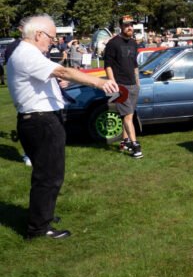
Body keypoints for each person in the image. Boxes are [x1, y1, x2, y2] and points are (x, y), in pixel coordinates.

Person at [8, 14, 118, 239]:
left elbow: (53, 77)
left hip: (39, 120)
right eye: (51, 36)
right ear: (38, 34)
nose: (54, 41)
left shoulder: (26, 53)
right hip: (41, 121)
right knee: (49, 176)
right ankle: (38, 228)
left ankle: (42, 216)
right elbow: (63, 70)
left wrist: (59, 82)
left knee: (46, 174)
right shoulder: (27, 54)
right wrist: (99, 82)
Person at [104, 15, 143, 158]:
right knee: (127, 116)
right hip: (120, 85)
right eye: (126, 25)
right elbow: (107, 65)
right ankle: (135, 146)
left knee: (128, 115)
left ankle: (125, 141)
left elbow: (134, 64)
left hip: (133, 84)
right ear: (121, 26)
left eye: (131, 25)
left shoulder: (133, 43)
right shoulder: (113, 43)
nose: (130, 27)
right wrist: (113, 83)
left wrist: (137, 82)